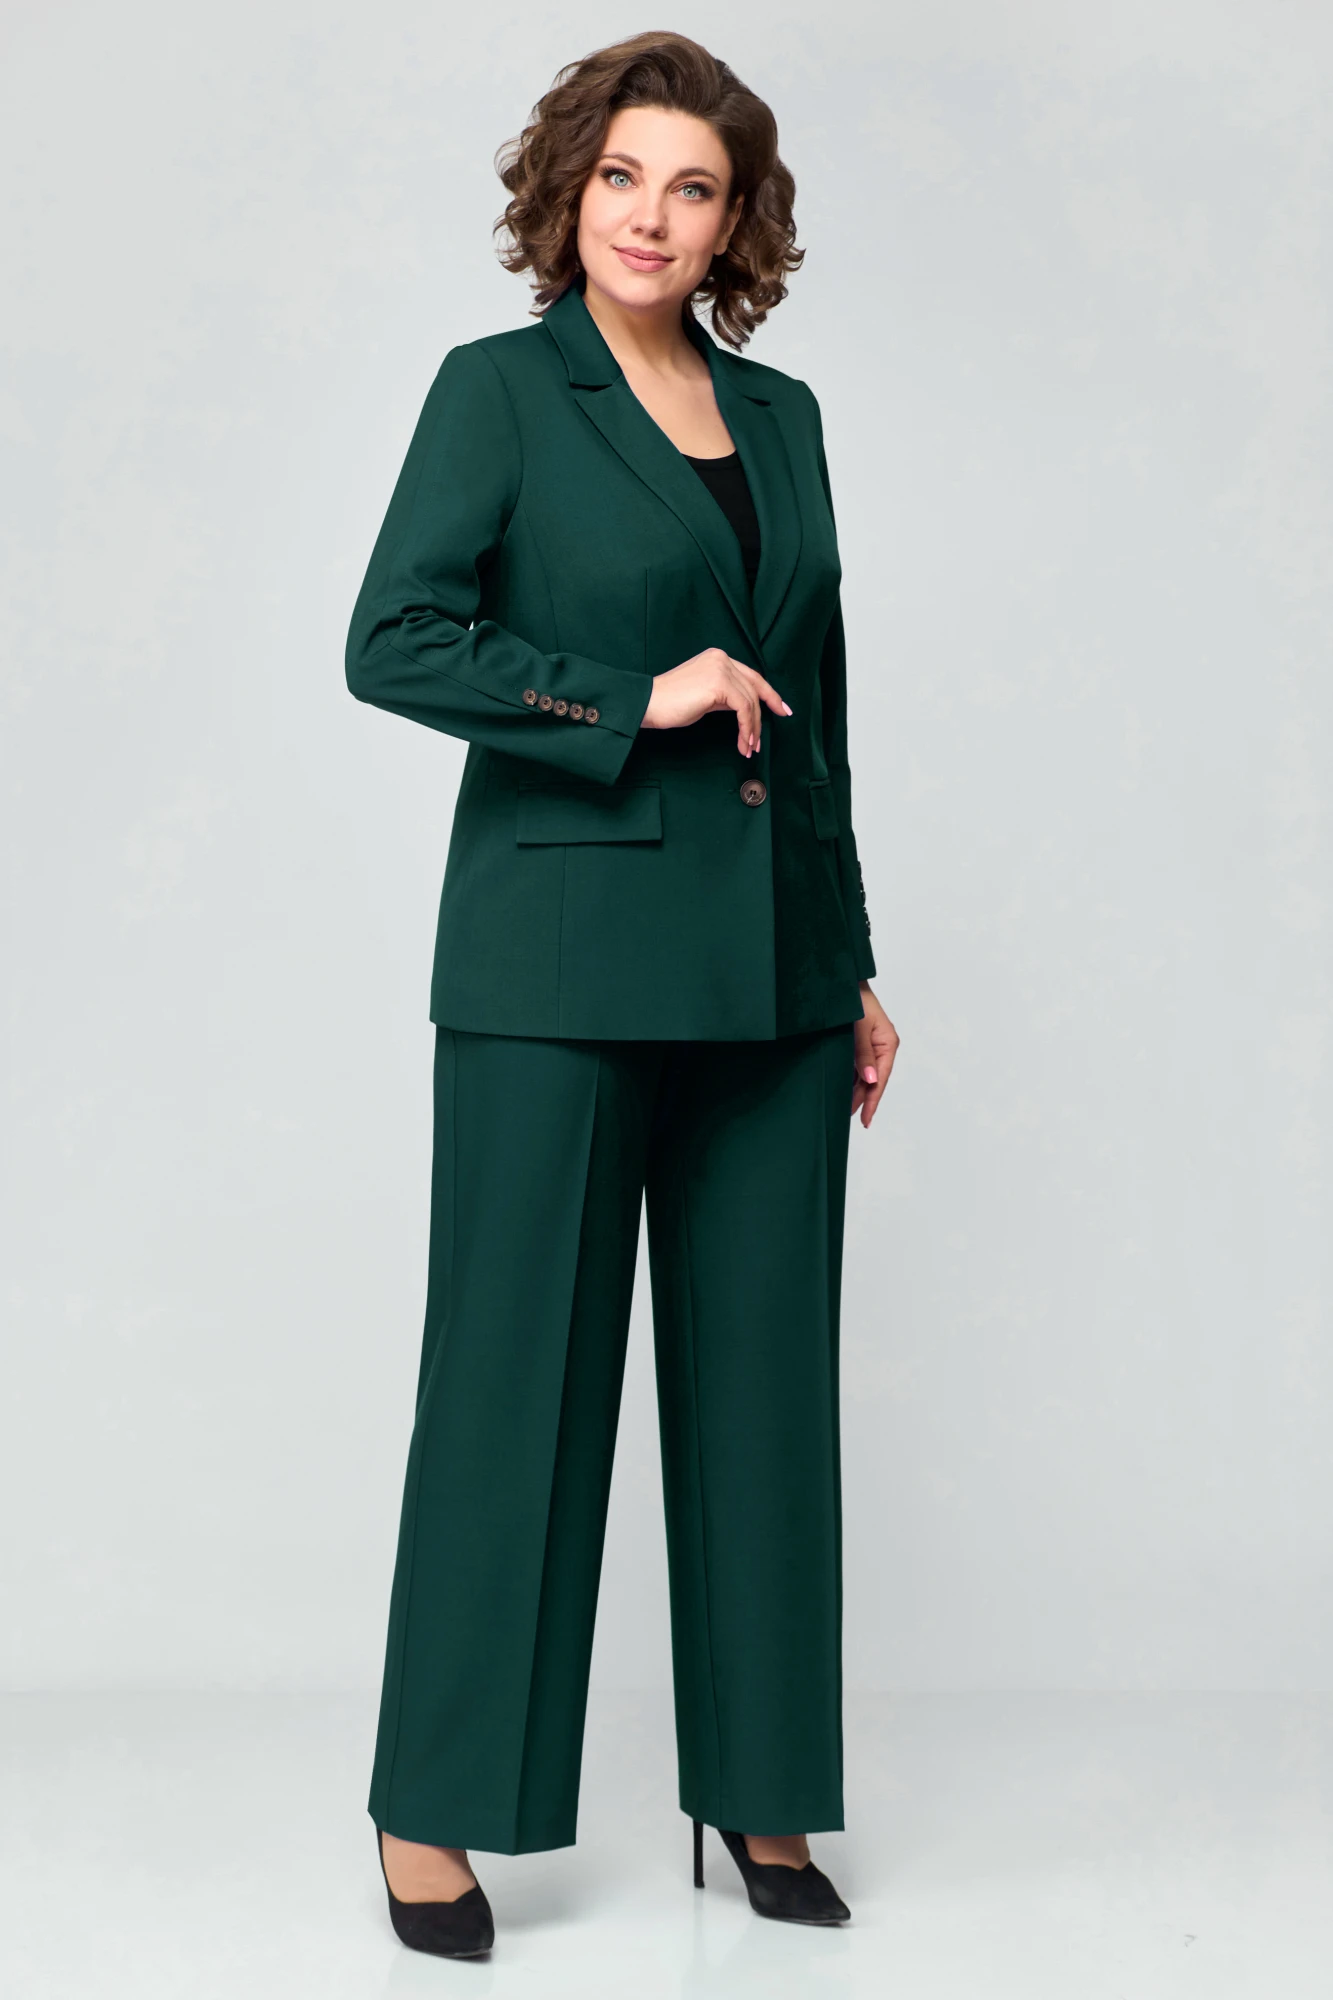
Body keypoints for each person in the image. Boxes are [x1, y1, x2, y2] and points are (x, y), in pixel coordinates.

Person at [345, 30, 899, 1959]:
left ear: (736, 221)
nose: (652, 217)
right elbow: (395, 638)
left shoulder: (788, 419)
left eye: (693, 188)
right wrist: (624, 698)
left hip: (771, 977)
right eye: (622, 179)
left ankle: (760, 1792)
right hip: (556, 972)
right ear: (569, 192)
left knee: (768, 1405)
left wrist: (851, 957)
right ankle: (436, 1812)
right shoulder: (499, 393)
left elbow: (815, 711)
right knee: (513, 1393)